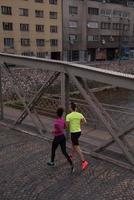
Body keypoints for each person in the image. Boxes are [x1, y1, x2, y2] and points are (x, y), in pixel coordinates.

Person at [47, 107, 74, 173]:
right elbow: (65, 127)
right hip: (62, 137)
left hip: (57, 138)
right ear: (62, 114)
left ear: (57, 114)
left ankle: (52, 162)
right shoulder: (62, 120)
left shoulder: (56, 122)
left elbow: (59, 130)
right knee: (64, 152)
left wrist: (53, 132)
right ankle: (71, 164)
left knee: (53, 149)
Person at [66, 102, 88, 170]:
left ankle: (84, 161)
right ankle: (71, 155)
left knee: (77, 147)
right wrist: (79, 123)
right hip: (79, 132)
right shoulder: (80, 114)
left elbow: (67, 125)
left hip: (73, 132)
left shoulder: (68, 116)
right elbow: (85, 121)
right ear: (76, 108)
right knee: (73, 144)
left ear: (70, 108)